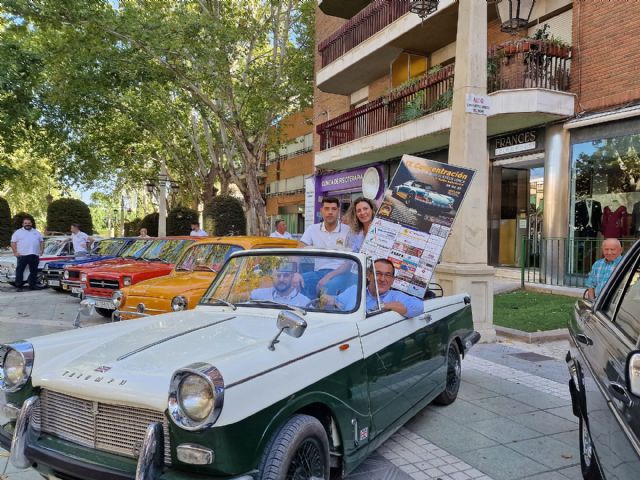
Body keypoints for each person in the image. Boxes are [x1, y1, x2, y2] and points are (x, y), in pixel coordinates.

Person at [323, 258, 424, 318]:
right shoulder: (355, 290)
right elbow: (337, 301)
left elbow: (418, 307)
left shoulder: (395, 296)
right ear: (368, 275)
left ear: (392, 280)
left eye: (388, 275)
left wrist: (384, 306)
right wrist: (325, 299)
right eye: (378, 274)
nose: (382, 279)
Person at [299, 197, 350, 297]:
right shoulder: (312, 229)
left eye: (333, 209)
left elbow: (349, 263)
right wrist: (294, 272)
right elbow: (298, 251)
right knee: (298, 281)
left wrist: (329, 276)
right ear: (321, 211)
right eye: (326, 209)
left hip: (340, 273)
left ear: (338, 211)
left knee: (329, 286)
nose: (330, 212)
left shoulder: (348, 230)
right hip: (318, 273)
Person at [10, 218, 45, 292]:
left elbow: (41, 241)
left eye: (29, 223)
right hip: (22, 255)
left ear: (31, 224)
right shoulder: (18, 232)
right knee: (20, 271)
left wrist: (42, 250)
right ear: (23, 224)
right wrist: (15, 252)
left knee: (34, 271)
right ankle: (19, 286)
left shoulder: (36, 232)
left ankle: (32, 285)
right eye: (25, 223)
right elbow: (13, 242)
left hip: (34, 254)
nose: (27, 224)